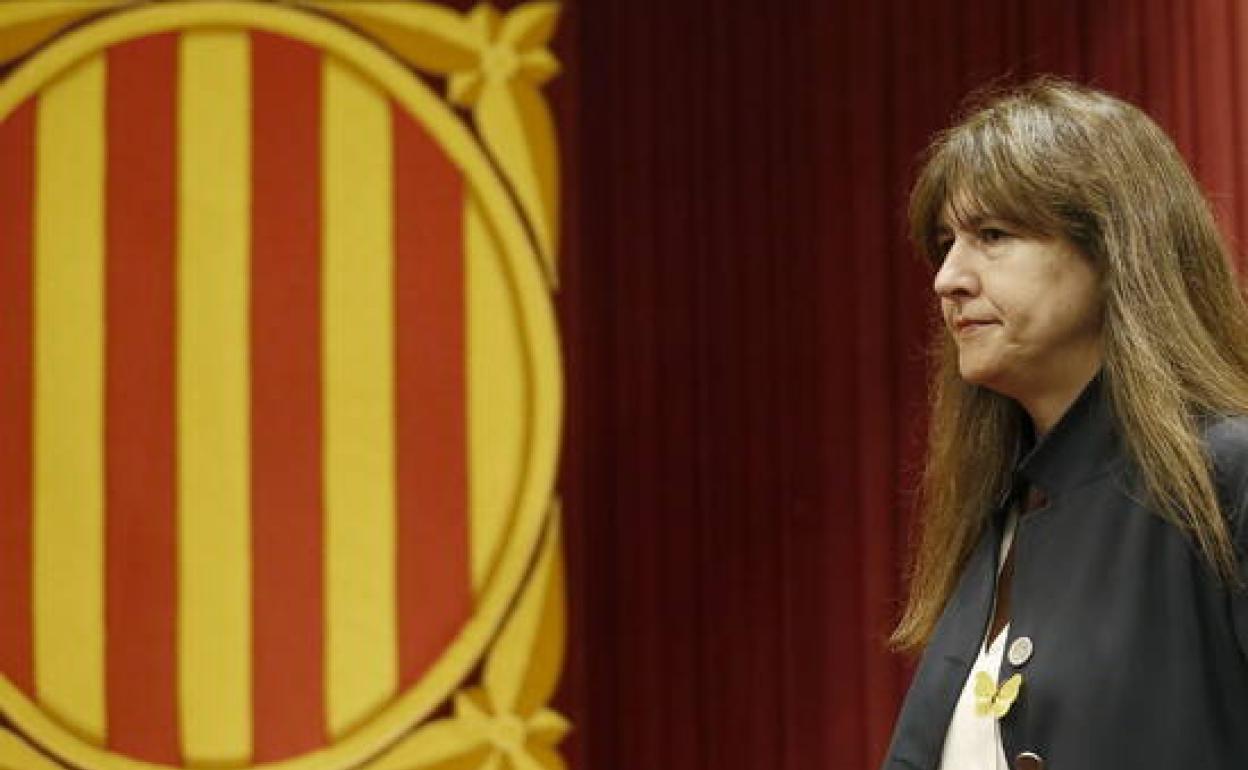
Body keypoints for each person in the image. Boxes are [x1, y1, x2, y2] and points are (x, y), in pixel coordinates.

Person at [880, 77, 1248, 770]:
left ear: (1113, 253)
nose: (947, 277)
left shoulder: (1229, 476)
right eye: (945, 241)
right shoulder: (1005, 513)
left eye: (992, 234)